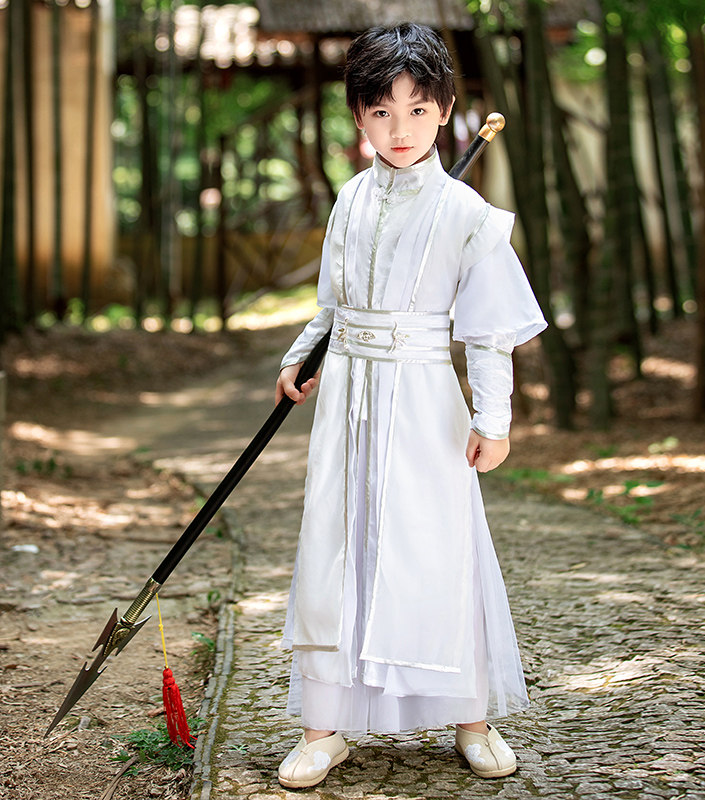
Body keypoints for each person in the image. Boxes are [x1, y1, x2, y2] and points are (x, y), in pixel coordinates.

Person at [273, 23, 547, 790]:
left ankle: (470, 717)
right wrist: (301, 354)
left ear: (448, 111)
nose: (401, 129)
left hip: (426, 400)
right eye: (382, 112)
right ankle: (324, 727)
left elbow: (490, 331)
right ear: (358, 116)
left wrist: (493, 418)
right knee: (336, 544)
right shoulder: (350, 199)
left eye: (419, 111)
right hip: (348, 403)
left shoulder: (466, 212)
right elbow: (332, 303)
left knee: (436, 547)